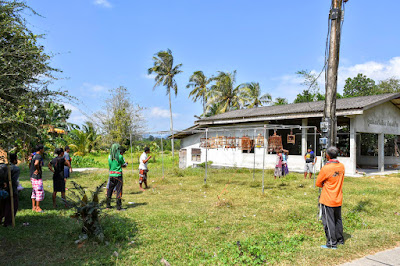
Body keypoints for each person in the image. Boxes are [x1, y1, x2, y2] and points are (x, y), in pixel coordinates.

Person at [316, 146, 345, 249]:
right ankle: (340, 239)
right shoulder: (341, 166)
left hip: (327, 198)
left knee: (328, 221)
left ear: (327, 155)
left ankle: (332, 243)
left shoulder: (326, 168)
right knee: (338, 219)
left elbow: (318, 183)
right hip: (338, 197)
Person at [0, 153, 20, 227]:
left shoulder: (2, 166)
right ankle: (8, 222)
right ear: (15, 160)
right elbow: (13, 181)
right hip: (11, 189)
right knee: (12, 205)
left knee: (2, 204)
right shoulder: (15, 169)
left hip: (3, 188)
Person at [106, 144, 127, 210]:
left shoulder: (109, 157)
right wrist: (126, 164)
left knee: (110, 190)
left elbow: (109, 166)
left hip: (111, 175)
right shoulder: (120, 156)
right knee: (119, 190)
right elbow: (123, 165)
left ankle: (108, 205)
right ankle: (118, 207)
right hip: (118, 176)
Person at [30, 144, 45, 212]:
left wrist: (32, 170)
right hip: (36, 177)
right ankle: (38, 207)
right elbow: (36, 163)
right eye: (43, 149)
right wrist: (38, 170)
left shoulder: (33, 155)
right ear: (41, 149)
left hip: (32, 176)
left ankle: (33, 206)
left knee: (34, 191)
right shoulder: (38, 156)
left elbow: (30, 163)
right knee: (39, 191)